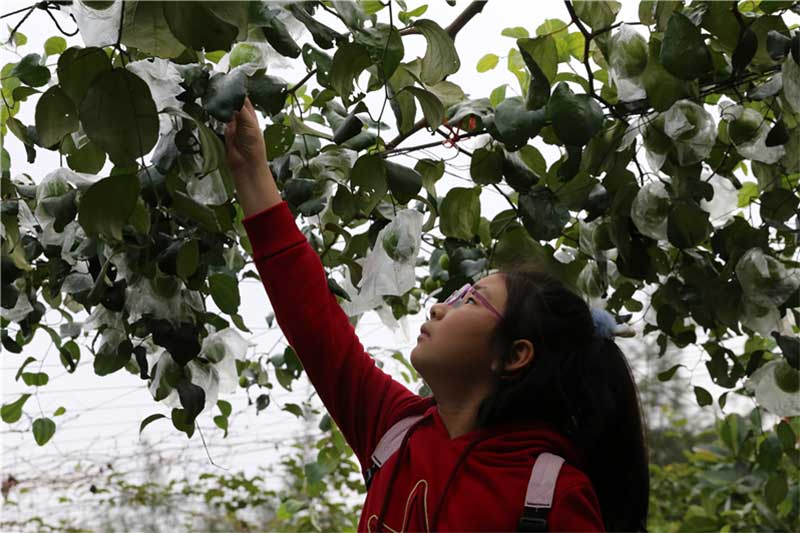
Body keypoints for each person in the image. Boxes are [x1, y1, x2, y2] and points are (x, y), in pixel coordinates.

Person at [224, 97, 650, 532]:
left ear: (514, 355)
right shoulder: (397, 431)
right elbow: (312, 319)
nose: (439, 306)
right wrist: (250, 169)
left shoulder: (550, 497)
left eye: (470, 300)